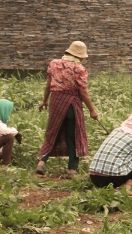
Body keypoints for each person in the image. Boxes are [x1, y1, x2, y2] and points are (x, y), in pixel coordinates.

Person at [36, 41, 98, 175]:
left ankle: (41, 163)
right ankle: (72, 170)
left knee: (52, 132)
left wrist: (45, 101)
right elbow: (83, 92)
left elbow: (48, 86)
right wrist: (92, 110)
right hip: (72, 103)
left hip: (56, 101)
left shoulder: (54, 64)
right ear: (79, 56)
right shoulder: (79, 69)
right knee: (73, 135)